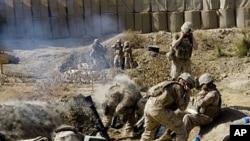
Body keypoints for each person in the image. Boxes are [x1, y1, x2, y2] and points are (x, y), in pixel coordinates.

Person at [140, 72, 196, 141]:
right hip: (158, 109)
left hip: (148, 106)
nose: (190, 88)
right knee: (181, 128)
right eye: (190, 86)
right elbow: (183, 108)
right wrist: (188, 93)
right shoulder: (178, 88)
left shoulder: (169, 83)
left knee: (148, 133)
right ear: (185, 83)